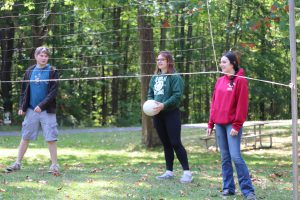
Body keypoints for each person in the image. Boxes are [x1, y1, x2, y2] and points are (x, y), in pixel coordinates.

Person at [207, 51, 256, 200]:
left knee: (235, 156)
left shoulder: (240, 80)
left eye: (224, 62)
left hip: (232, 125)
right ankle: (228, 188)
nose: (221, 64)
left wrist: (237, 125)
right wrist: (211, 123)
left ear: (232, 64)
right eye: (221, 62)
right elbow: (214, 103)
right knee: (225, 157)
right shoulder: (220, 80)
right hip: (219, 124)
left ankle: (248, 191)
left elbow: (242, 105)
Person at [6, 47, 60, 174]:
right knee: (25, 136)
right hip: (31, 110)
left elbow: (53, 92)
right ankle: (17, 163)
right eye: (41, 55)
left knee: (51, 137)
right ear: (36, 56)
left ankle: (54, 165)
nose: (44, 58)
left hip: (47, 111)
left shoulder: (52, 71)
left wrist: (41, 105)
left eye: (46, 56)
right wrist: (22, 107)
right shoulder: (30, 71)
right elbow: (23, 91)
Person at [147, 51, 192, 183]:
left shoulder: (175, 77)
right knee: (166, 144)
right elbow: (150, 93)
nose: (159, 62)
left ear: (169, 62)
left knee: (175, 142)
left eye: (162, 59)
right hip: (157, 114)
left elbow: (177, 96)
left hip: (171, 113)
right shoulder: (155, 77)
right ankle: (169, 171)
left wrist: (163, 105)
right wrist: (151, 104)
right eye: (158, 59)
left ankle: (187, 173)